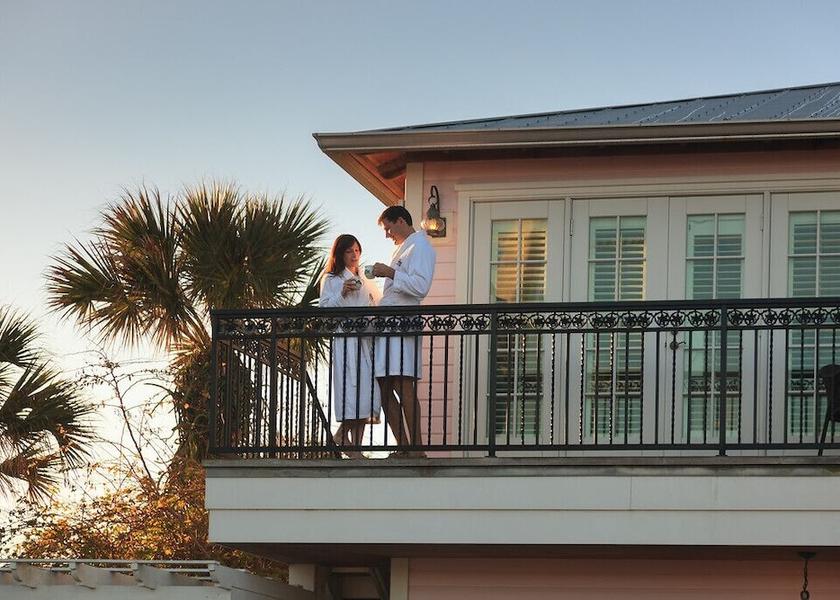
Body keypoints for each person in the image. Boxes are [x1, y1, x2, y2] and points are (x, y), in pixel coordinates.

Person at [371, 206, 436, 456]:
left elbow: (420, 287)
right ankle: (404, 446)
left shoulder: (420, 246)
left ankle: (416, 448)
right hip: (388, 326)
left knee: (402, 383)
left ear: (401, 221)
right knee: (384, 386)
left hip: (402, 323)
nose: (387, 234)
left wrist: (389, 272)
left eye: (388, 227)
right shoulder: (404, 248)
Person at [319, 234, 381, 457]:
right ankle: (348, 443)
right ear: (340, 254)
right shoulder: (331, 279)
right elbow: (325, 312)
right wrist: (342, 293)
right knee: (351, 389)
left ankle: (352, 442)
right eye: (349, 251)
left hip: (365, 340)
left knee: (367, 391)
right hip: (345, 339)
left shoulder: (365, 278)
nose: (354, 255)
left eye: (357, 250)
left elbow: (372, 304)